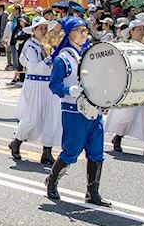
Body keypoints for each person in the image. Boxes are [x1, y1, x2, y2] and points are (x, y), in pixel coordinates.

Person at [43, 16, 111, 206]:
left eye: (85, 31)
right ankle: (52, 181)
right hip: (73, 110)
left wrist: (104, 99)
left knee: (97, 152)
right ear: (69, 34)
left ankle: (92, 192)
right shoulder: (63, 59)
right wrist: (68, 90)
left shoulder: (90, 55)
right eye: (79, 31)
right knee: (71, 151)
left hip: (94, 109)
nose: (83, 34)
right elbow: (54, 85)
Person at [105, 19, 144, 159]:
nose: (142, 31)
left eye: (143, 29)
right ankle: (118, 137)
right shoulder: (126, 46)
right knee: (127, 113)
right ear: (131, 32)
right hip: (132, 85)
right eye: (138, 29)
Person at [9, 17, 60, 164]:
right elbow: (34, 67)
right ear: (34, 30)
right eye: (40, 28)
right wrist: (50, 59)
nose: (43, 31)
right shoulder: (30, 45)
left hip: (49, 84)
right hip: (35, 83)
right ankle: (17, 141)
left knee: (51, 117)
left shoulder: (49, 45)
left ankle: (47, 152)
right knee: (32, 117)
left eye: (45, 28)